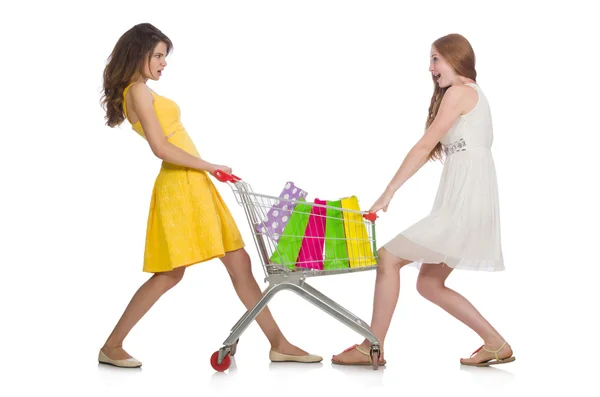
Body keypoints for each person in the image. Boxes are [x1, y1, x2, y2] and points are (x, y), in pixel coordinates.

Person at [98, 23, 322, 368]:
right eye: (158, 55)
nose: (163, 63)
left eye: (164, 56)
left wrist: (206, 170)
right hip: (181, 186)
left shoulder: (140, 91)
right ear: (138, 53)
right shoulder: (138, 91)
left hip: (193, 183)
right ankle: (112, 346)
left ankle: (279, 343)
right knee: (171, 273)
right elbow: (161, 148)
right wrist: (210, 164)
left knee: (239, 262)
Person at [332, 33, 515, 367]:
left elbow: (423, 146)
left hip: (464, 203)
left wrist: (388, 192)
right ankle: (495, 343)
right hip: (470, 200)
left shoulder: (460, 92)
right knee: (429, 283)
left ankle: (371, 346)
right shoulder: (473, 94)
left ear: (455, 58)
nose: (430, 68)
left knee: (388, 257)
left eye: (435, 59)